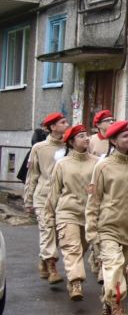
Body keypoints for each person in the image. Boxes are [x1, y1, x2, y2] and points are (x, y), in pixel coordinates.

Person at [85, 120, 128, 315]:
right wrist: (92, 231)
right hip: (108, 226)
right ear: (113, 140)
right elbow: (94, 200)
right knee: (114, 267)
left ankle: (107, 306)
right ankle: (118, 306)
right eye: (124, 136)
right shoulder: (103, 166)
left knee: (119, 272)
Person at [44, 124, 96, 301]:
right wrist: (48, 215)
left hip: (89, 215)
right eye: (81, 136)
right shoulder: (62, 164)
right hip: (67, 213)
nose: (86, 138)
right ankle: (76, 283)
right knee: (71, 247)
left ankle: (72, 274)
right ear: (71, 142)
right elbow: (54, 192)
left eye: (87, 135)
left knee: (81, 249)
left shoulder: (97, 163)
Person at [24, 112, 69, 282]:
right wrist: (28, 199)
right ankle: (52, 267)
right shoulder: (39, 147)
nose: (67, 124)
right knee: (47, 228)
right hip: (43, 196)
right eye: (63, 122)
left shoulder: (69, 145)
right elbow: (32, 175)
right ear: (52, 127)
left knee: (57, 232)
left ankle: (44, 259)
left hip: (63, 196)